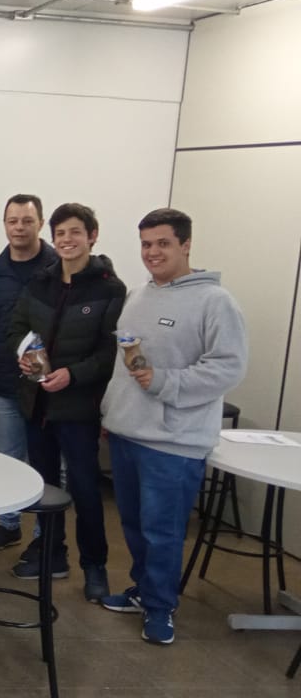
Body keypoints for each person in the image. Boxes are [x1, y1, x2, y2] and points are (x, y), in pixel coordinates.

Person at [99, 208, 248, 644]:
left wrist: (166, 382)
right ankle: (143, 591)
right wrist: (111, 412)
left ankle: (161, 606)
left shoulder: (215, 301)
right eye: (146, 244)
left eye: (163, 243)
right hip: (127, 432)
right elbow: (124, 366)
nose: (152, 252)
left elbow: (228, 367)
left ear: (186, 245)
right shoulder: (138, 295)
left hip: (174, 442)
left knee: (162, 531)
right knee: (133, 525)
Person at [7, 202, 125, 603]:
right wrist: (24, 355)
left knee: (85, 489)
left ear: (92, 236)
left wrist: (73, 374)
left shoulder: (109, 288)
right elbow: (17, 327)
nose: (67, 240)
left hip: (78, 408)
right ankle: (51, 552)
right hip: (37, 404)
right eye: (60, 233)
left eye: (75, 232)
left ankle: (94, 566)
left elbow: (110, 352)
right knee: (42, 486)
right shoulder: (40, 282)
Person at [0, 194, 59, 551]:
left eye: (27, 221)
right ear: (4, 224)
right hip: (5, 384)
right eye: (12, 221)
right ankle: (9, 524)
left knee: (49, 465)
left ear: (40, 224)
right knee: (7, 459)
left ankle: (44, 537)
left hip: (50, 387)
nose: (19, 228)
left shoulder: (59, 267)